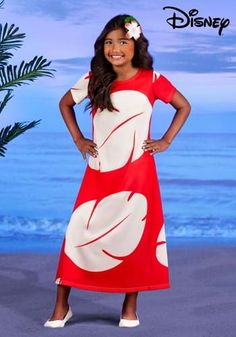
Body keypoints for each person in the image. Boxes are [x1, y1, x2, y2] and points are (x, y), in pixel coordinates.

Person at [44, 14, 191, 328]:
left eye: (122, 41)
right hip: (99, 169)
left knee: (133, 234)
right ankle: (61, 306)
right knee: (78, 233)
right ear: (102, 47)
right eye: (109, 42)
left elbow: (183, 106)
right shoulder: (94, 77)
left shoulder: (152, 79)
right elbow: (64, 104)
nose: (115, 48)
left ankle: (129, 306)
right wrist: (78, 138)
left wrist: (166, 139)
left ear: (134, 44)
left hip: (138, 172)